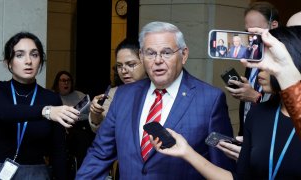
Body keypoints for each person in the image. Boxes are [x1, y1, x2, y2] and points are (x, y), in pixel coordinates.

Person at [76, 21, 235, 179]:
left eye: (166, 52)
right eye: (150, 53)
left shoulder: (210, 100)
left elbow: (221, 168)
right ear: (141, 56)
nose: (158, 60)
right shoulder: (123, 96)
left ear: (183, 55)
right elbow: (99, 155)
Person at [151, 26, 301, 179]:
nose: (261, 69)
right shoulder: (257, 114)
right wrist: (187, 152)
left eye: (270, 60)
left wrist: (286, 72)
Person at [0, 32, 79, 180]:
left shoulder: (51, 98)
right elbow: (6, 112)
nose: (28, 61)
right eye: (20, 55)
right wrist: (46, 111)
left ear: (40, 60)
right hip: (0, 172)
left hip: (37, 174)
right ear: (8, 62)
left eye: (34, 55)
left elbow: (58, 151)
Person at [226, 1, 279, 136]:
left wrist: (256, 97)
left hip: (270, 138)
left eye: (255, 31)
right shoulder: (252, 56)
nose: (250, 37)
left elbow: (289, 110)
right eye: (247, 31)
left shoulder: (287, 63)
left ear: (274, 25)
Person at [89, 38, 147, 133]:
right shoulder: (114, 92)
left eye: (131, 64)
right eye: (119, 66)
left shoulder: (159, 89)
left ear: (145, 62)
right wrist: (95, 114)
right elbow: (101, 130)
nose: (123, 71)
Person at [52, 70, 95, 179]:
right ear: (57, 83)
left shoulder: (79, 95)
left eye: (68, 80)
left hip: (79, 129)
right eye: (63, 80)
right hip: (59, 130)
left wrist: (75, 116)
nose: (66, 83)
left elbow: (90, 114)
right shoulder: (52, 96)